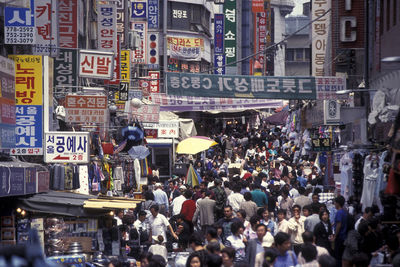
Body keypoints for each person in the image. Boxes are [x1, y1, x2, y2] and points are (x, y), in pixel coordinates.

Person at [333, 196, 348, 266]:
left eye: (335, 203)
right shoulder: (344, 212)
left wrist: (335, 236)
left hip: (339, 237)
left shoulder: (339, 212)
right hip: (344, 236)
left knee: (338, 256)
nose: (334, 204)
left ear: (338, 203)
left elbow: (339, 224)